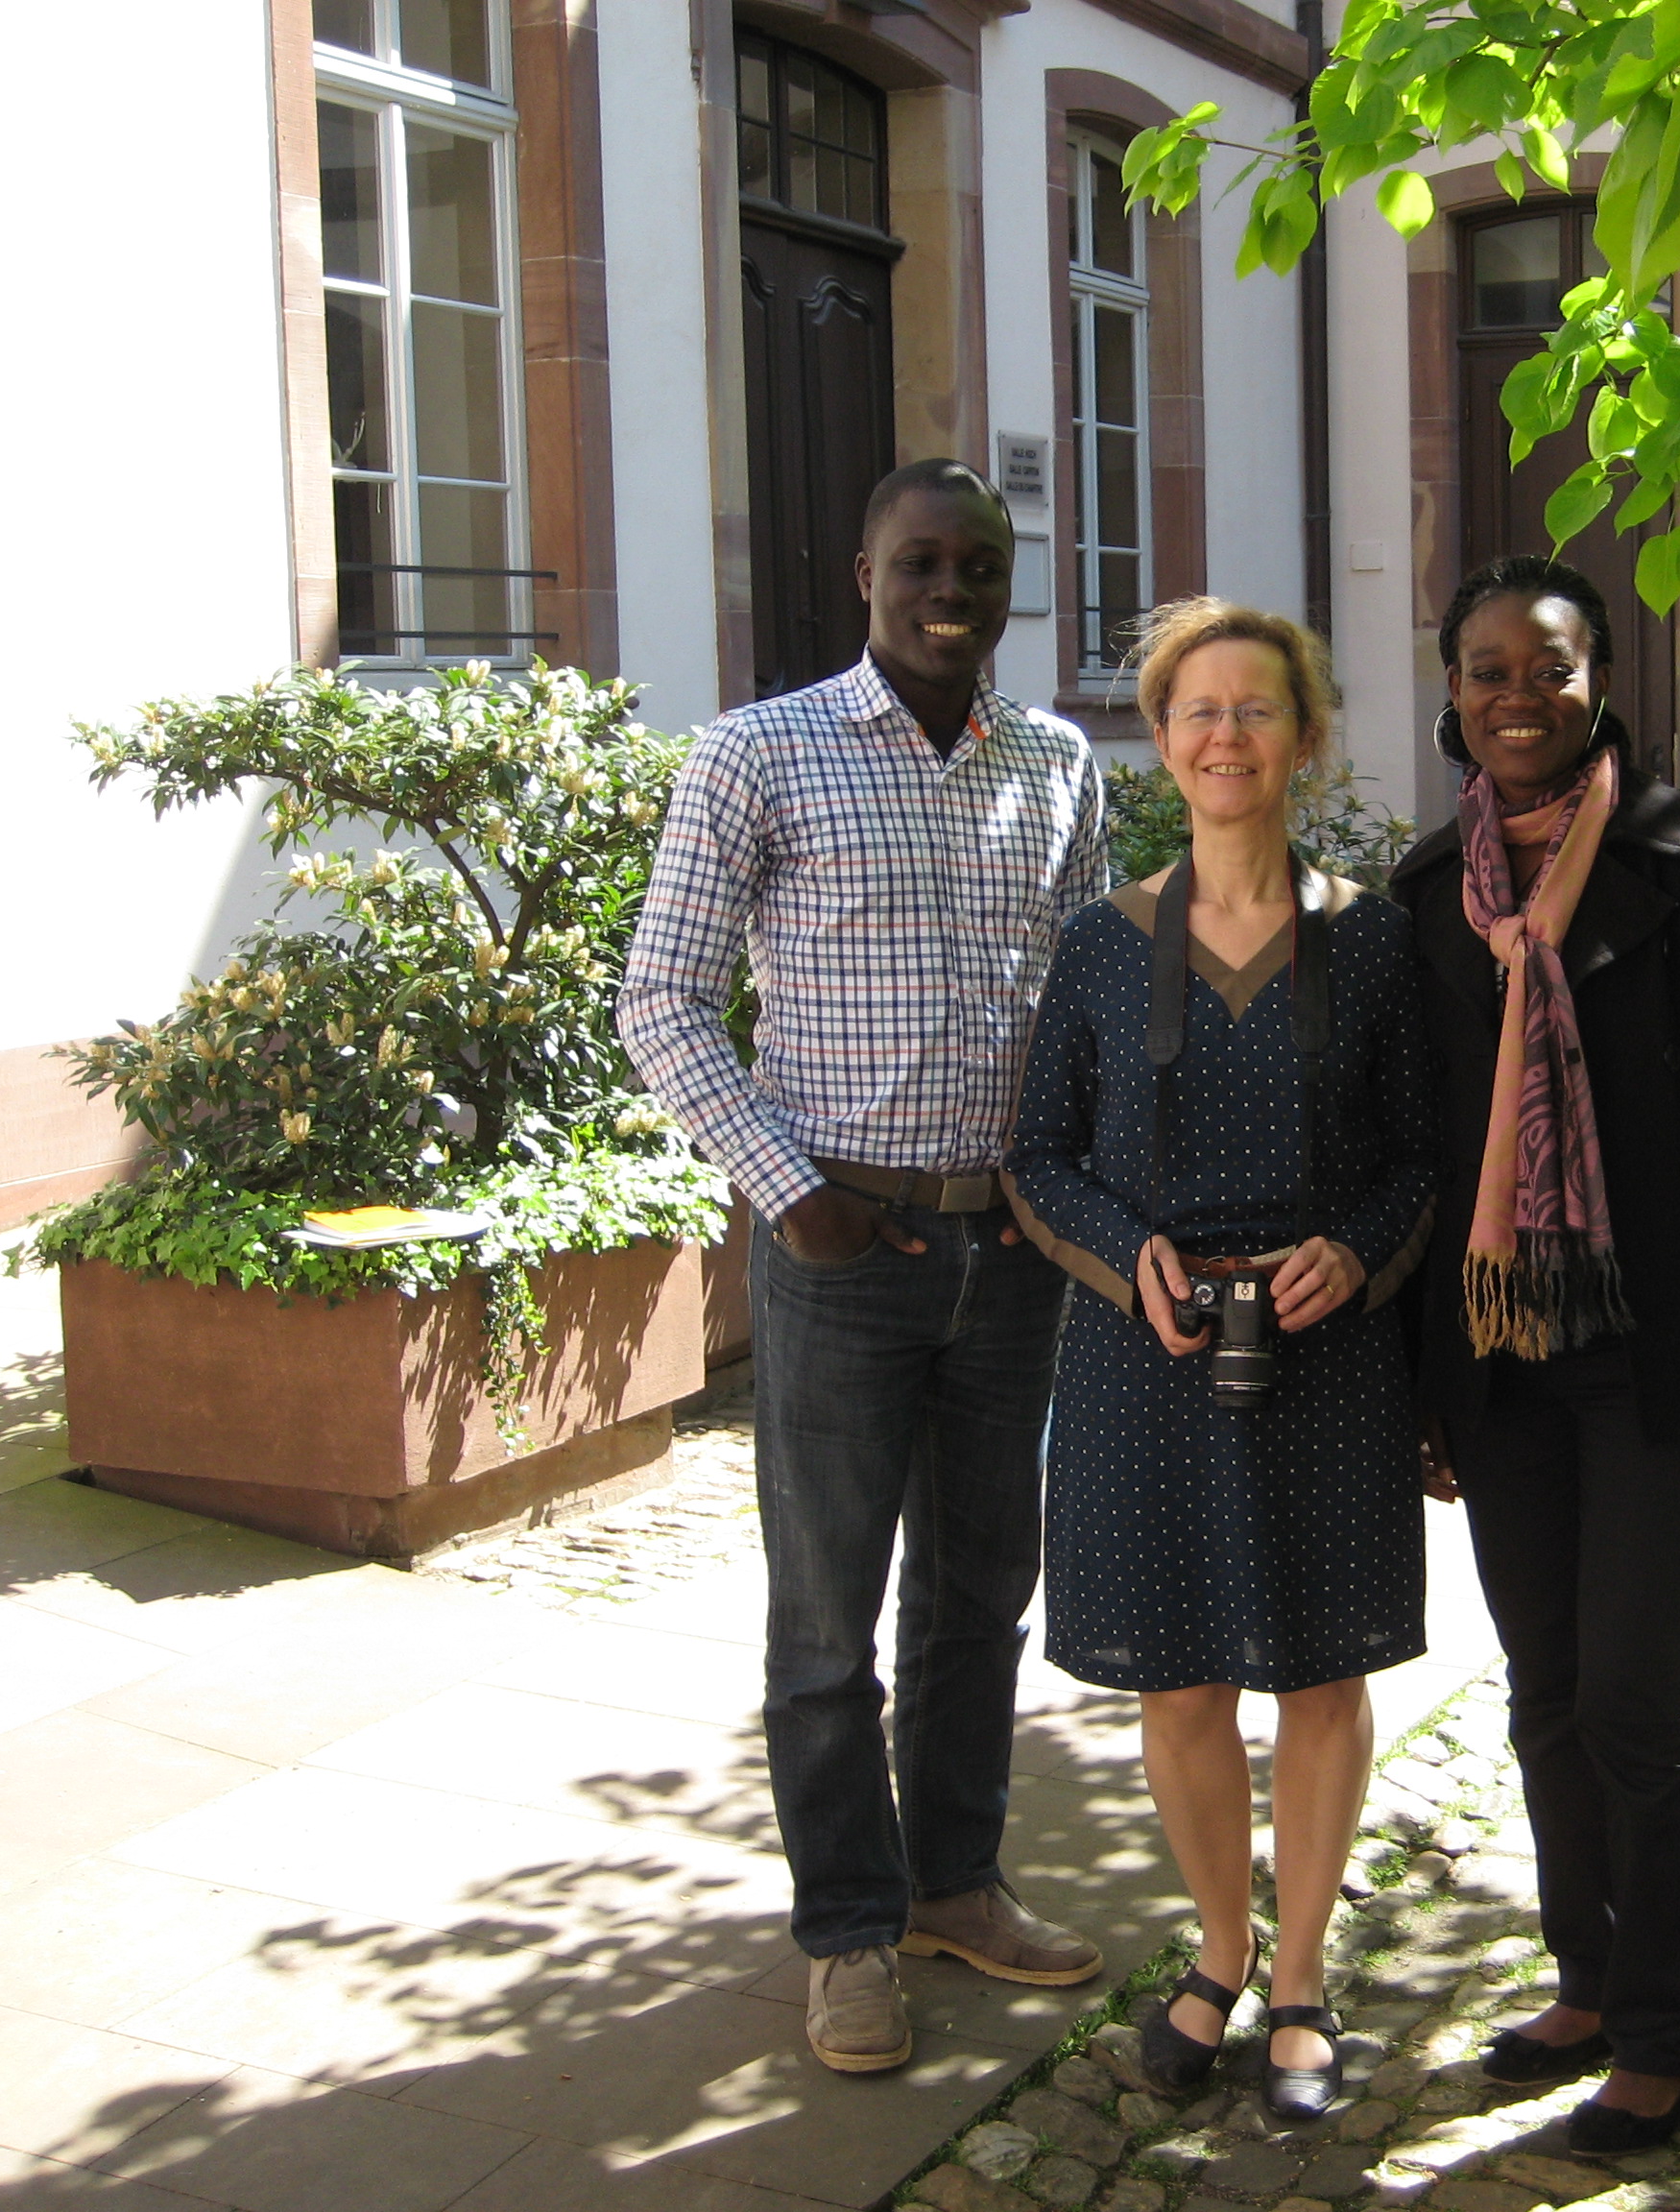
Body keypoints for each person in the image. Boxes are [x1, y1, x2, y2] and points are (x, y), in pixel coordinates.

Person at [620, 459, 1109, 2076]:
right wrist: (790, 1189)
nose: (950, 588)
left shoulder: (1058, 763)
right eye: (920, 561)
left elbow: (1084, 1011)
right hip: (845, 1254)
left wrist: (1077, 1201)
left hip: (1011, 1253)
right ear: (863, 572)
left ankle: (953, 1883)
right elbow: (663, 1000)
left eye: (980, 562)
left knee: (980, 1600)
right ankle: (845, 1934)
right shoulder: (759, 756)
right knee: (828, 1625)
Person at [1389, 555, 1680, 2155]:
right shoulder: (1425, 890)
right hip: (1501, 1358)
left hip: (1663, 1351)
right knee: (1544, 1686)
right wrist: (1423, 1386)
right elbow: (1422, 1160)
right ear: (1452, 689)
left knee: (1637, 1695)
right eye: (1489, 669)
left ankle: (1660, 2024)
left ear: (1599, 682)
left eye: (1550, 668)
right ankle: (1584, 1974)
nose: (1519, 696)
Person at [1005, 598, 1435, 2120]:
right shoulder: (1100, 947)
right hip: (1145, 1358)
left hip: (1329, 1358)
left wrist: (1356, 1252)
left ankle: (1305, 1977)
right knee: (1178, 1683)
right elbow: (1037, 1159)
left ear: (1305, 737)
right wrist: (1133, 1262)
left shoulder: (1375, 941)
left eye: (1258, 710)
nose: (1226, 736)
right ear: (1162, 737)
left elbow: (1427, 1166)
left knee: (1320, 1679)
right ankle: (1219, 1950)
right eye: (1198, 710)